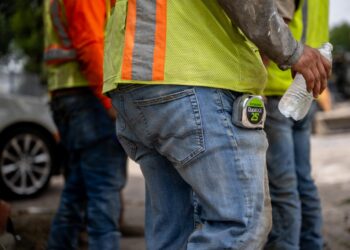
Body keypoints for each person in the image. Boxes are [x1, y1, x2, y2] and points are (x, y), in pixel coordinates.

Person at [103, 0, 331, 249]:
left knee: (175, 232)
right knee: (240, 224)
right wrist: (293, 52)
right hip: (193, 78)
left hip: (136, 80)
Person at [43, 0, 127, 249]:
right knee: (103, 193)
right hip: (88, 99)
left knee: (76, 193)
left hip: (67, 95)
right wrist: (109, 101)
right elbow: (90, 45)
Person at [263, 0, 330, 249]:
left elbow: (275, 22)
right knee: (303, 180)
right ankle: (313, 243)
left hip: (278, 86)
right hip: (306, 88)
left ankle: (287, 245)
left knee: (282, 188)